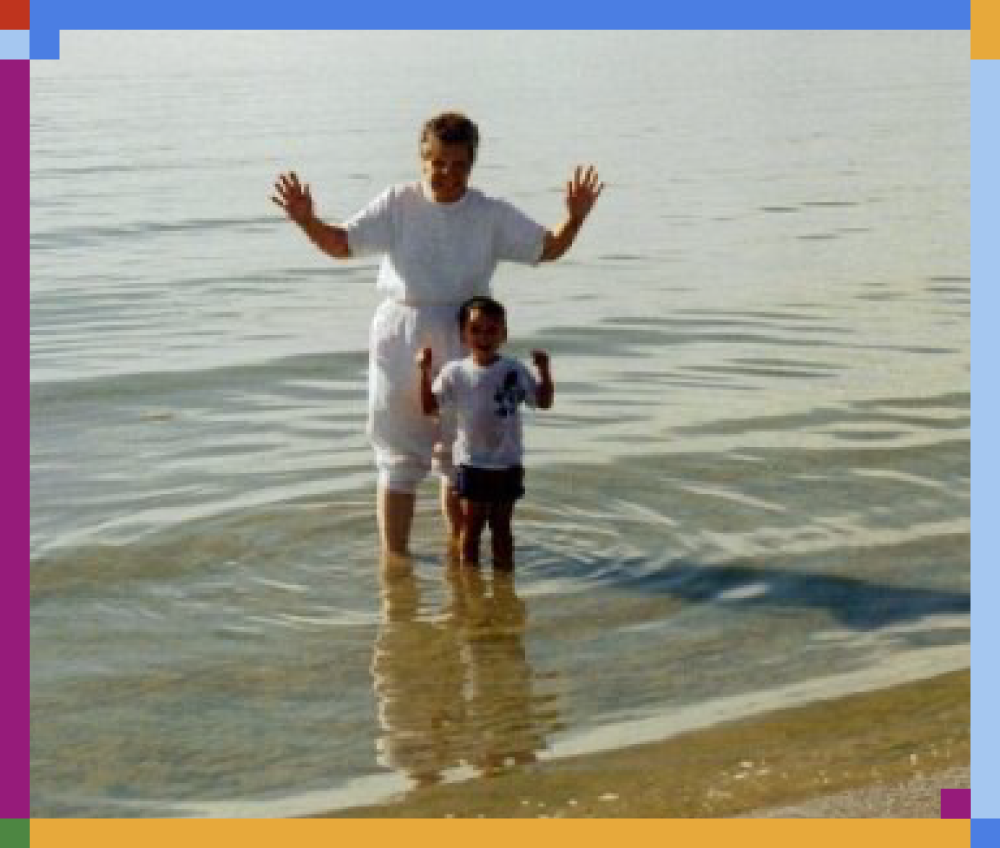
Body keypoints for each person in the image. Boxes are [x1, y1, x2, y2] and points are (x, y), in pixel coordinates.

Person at [271, 112, 601, 556]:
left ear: (471, 164)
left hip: (465, 336)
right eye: (438, 163)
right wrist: (306, 220)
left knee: (457, 459)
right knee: (398, 460)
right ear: (421, 158)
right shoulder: (397, 204)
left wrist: (574, 218)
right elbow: (341, 244)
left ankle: (459, 569)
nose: (447, 174)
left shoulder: (489, 214)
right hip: (401, 334)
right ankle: (396, 571)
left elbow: (550, 248)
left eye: (459, 165)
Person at [417, 296, 553, 568]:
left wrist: (544, 371)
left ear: (504, 334)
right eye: (476, 329)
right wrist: (424, 371)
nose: (484, 337)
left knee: (502, 529)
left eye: (492, 330)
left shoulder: (513, 370)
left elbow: (543, 401)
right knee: (471, 528)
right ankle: (471, 590)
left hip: (507, 463)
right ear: (464, 335)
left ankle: (505, 588)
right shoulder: (455, 372)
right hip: (472, 463)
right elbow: (430, 408)